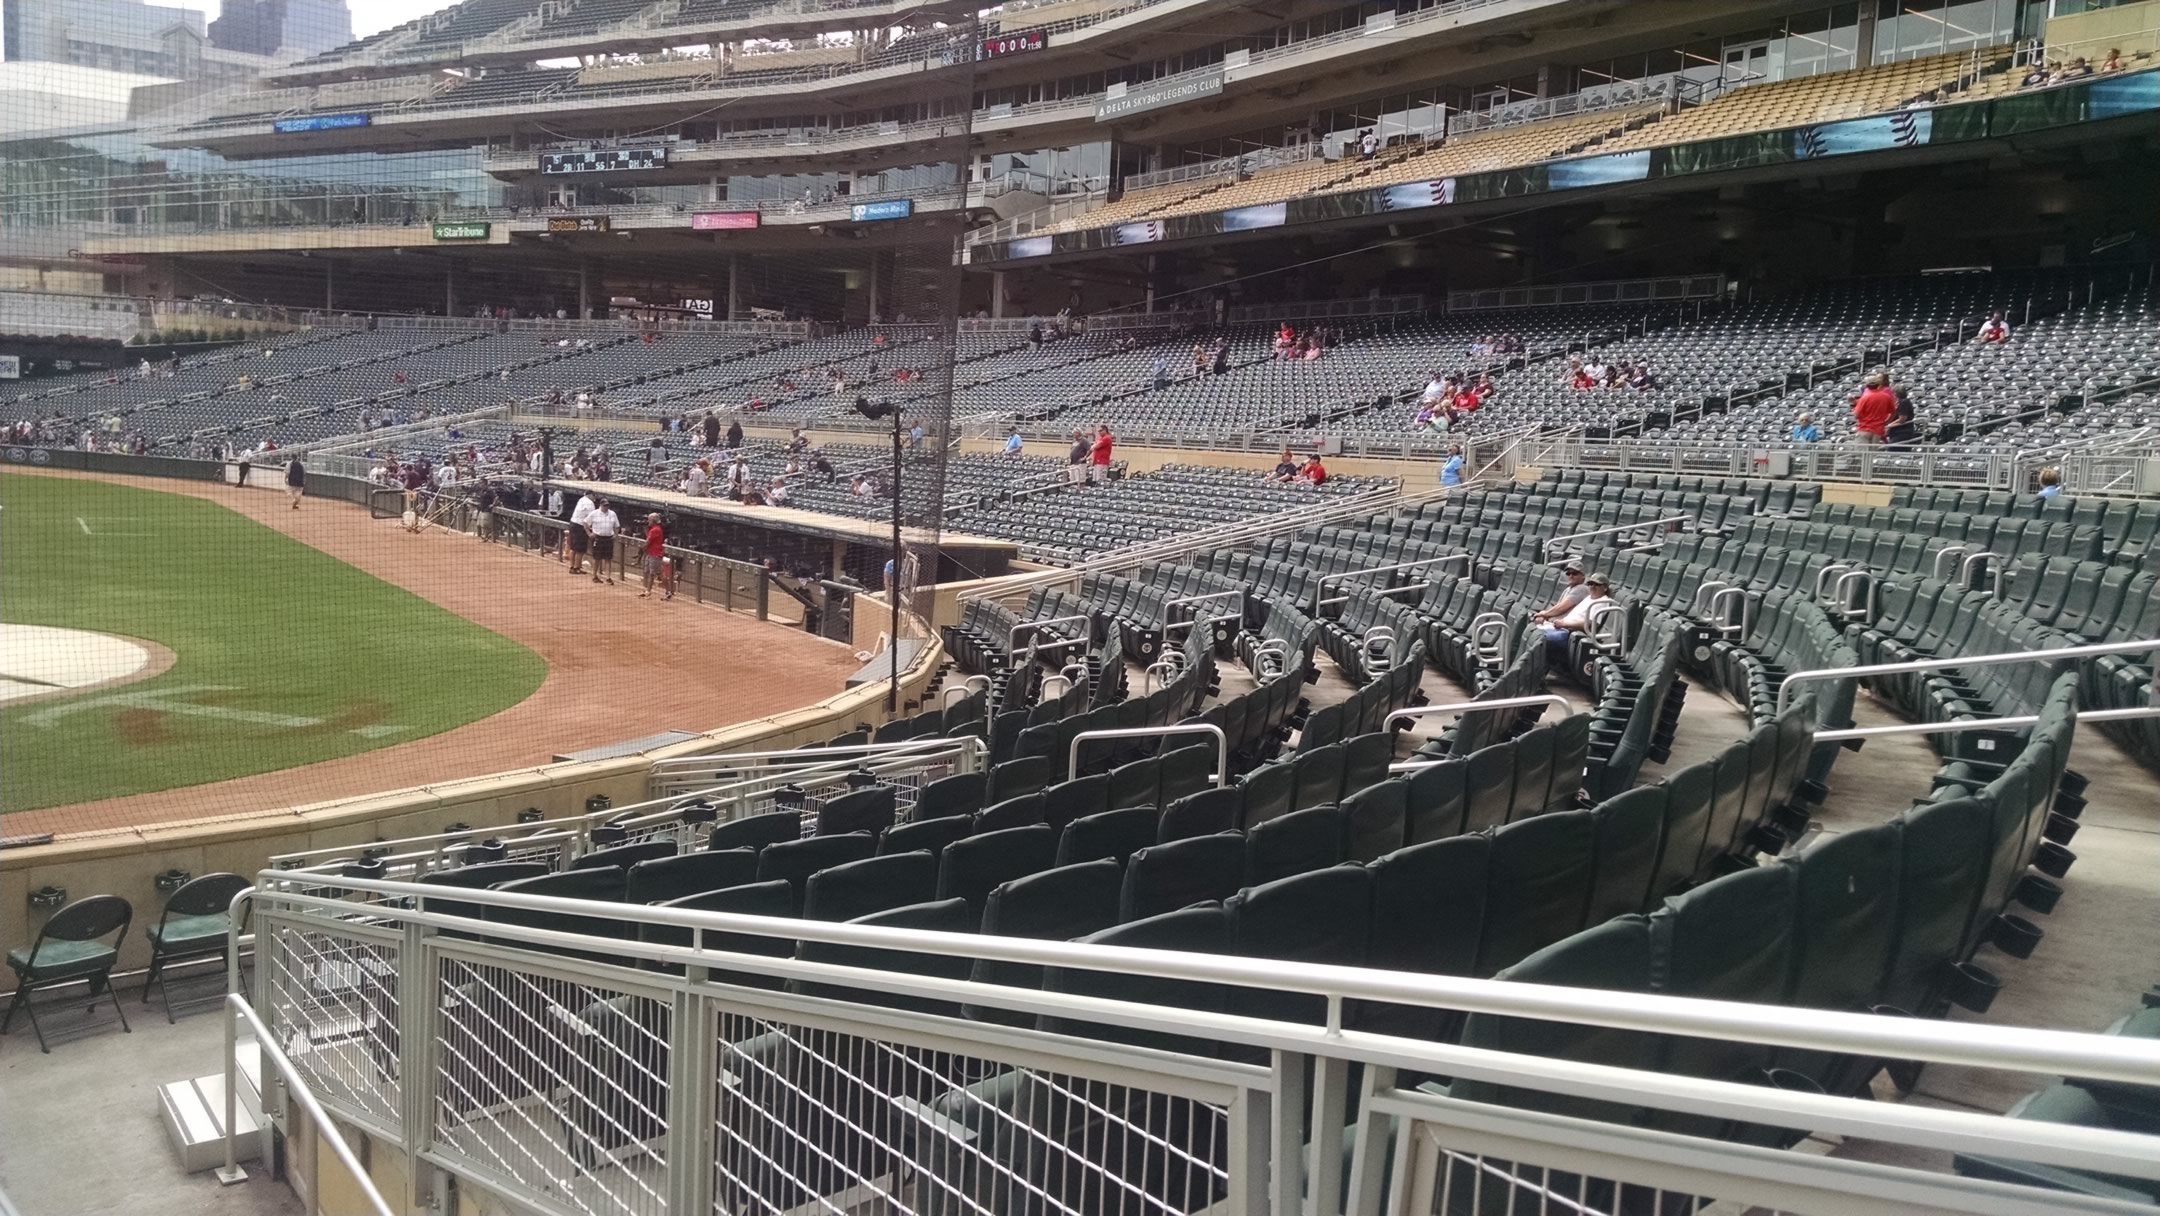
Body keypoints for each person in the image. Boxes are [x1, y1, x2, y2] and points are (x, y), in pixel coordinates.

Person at [1542, 572, 1610, 669]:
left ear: (1605, 588)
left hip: (1571, 633)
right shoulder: (1589, 598)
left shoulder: (1602, 602)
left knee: (1541, 638)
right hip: (1562, 628)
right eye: (1590, 584)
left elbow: (1588, 624)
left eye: (1597, 584)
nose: (1592, 586)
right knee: (1534, 632)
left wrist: (1564, 624)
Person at [1852, 371, 1895, 445]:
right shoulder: (1886, 396)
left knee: (1861, 455)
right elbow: (1893, 412)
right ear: (1878, 384)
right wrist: (1886, 422)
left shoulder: (1865, 397)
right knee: (1872, 454)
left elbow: (1856, 415)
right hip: (1878, 430)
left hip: (1864, 428)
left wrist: (1852, 405)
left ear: (1867, 385)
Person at [587, 497, 620, 584]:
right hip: (598, 538)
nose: (606, 507)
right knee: (597, 558)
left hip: (609, 538)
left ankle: (608, 577)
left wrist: (616, 534)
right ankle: (594, 575)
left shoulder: (612, 514)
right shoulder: (594, 513)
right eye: (605, 505)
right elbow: (585, 523)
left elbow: (617, 525)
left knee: (608, 558)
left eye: (607, 505)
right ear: (600, 505)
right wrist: (589, 534)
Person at [639, 513, 672, 599]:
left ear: (653, 521)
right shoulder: (653, 529)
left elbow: (648, 541)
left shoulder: (655, 530)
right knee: (648, 572)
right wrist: (645, 529)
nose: (647, 522)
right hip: (651, 553)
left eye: (649, 520)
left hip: (655, 554)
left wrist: (642, 548)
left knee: (655, 574)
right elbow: (648, 537)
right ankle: (647, 590)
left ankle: (664, 592)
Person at [567, 490, 597, 574]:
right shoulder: (590, 503)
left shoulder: (581, 499)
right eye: (594, 495)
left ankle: (572, 566)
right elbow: (592, 517)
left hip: (573, 523)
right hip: (580, 526)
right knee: (580, 549)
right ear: (590, 495)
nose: (594, 497)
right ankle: (577, 568)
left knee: (573, 547)